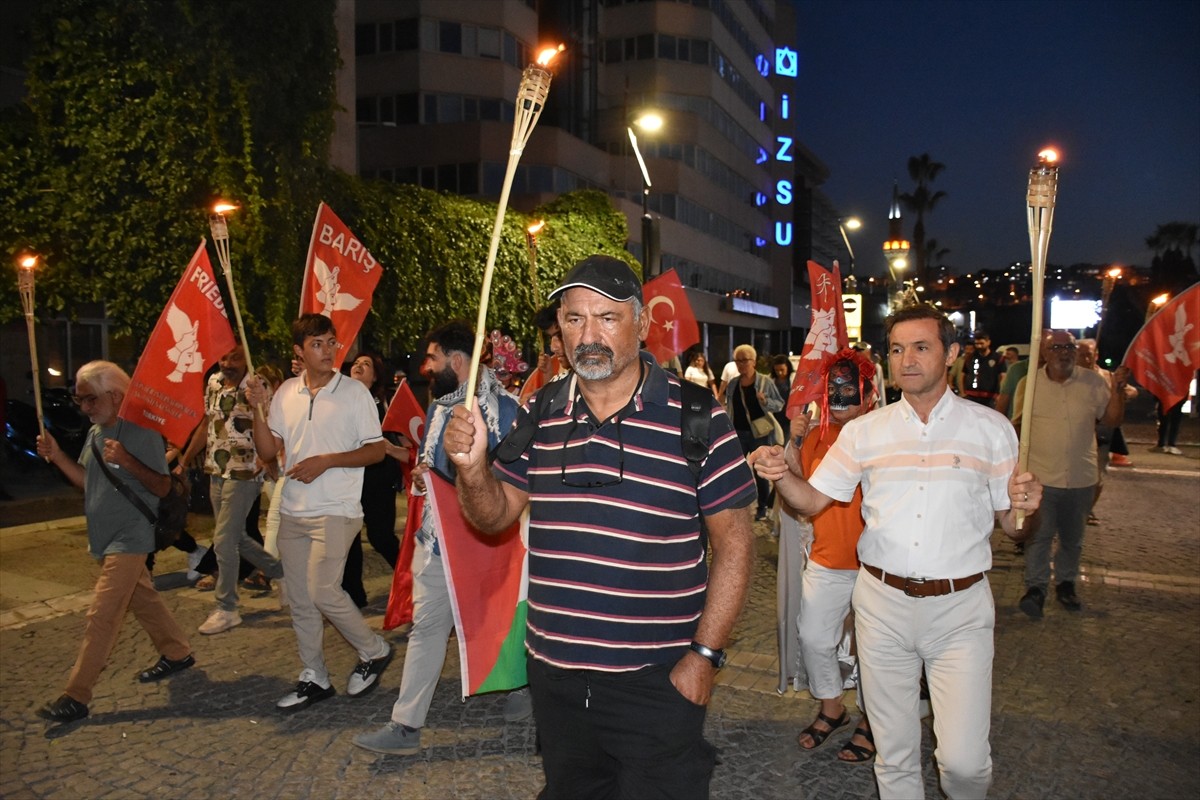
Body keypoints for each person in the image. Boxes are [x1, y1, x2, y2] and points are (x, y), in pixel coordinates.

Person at [445, 255, 757, 799]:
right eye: (573, 319)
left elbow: (735, 546)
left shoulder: (697, 416)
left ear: (641, 323)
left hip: (657, 678)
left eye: (606, 318)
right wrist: (472, 469)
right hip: (557, 676)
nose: (588, 335)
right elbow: (493, 518)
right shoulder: (539, 411)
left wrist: (704, 657)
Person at [750, 303, 1042, 800]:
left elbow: (1013, 529)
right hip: (881, 605)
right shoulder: (867, 431)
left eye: (921, 347)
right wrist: (781, 476)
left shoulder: (991, 429)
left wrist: (1026, 509)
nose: (907, 359)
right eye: (898, 349)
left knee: (964, 765)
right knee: (895, 755)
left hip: (960, 610)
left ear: (950, 353)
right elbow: (812, 501)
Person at [352, 320, 523, 756]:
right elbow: (431, 462)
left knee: (501, 618)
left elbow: (507, 478)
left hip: (483, 545)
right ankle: (405, 726)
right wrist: (426, 477)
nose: (426, 367)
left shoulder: (503, 409)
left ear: (458, 361)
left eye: (433, 358)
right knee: (427, 628)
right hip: (436, 541)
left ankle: (525, 687)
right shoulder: (440, 406)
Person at [245, 314, 392, 712]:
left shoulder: (354, 393)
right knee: (301, 599)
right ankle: (314, 675)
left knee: (323, 589)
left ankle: (374, 649)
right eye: (317, 344)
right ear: (299, 351)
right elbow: (266, 451)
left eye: (331, 342)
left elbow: (376, 450)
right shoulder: (286, 393)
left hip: (338, 509)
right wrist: (258, 410)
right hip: (294, 509)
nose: (327, 351)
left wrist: (327, 460)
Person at [35, 361, 195, 722]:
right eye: (80, 401)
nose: (85, 408)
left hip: (132, 534)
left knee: (102, 614)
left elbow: (162, 485)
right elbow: (86, 480)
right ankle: (177, 651)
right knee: (143, 598)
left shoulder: (141, 431)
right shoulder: (96, 432)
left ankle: (75, 696)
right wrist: (58, 455)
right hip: (106, 537)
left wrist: (126, 459)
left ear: (114, 395)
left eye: (89, 399)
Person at [769, 348, 877, 764]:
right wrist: (794, 439)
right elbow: (800, 496)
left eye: (850, 387)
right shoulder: (817, 434)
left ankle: (871, 719)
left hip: (877, 567)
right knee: (813, 636)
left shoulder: (885, 434)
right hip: (828, 559)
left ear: (867, 392)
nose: (841, 394)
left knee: (874, 647)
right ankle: (832, 707)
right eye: (834, 387)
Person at [1013, 331, 1127, 617]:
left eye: (1069, 347)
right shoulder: (1030, 384)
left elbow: (1112, 420)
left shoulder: (1093, 382)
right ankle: (1036, 588)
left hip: (1080, 476)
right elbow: (1016, 424)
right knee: (1039, 536)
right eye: (1057, 347)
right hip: (1041, 477)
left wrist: (1118, 390)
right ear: (1045, 353)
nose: (1064, 352)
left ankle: (1066, 584)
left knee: (1073, 539)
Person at [181, 345, 285, 634]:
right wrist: (185, 459)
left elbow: (275, 425)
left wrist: (269, 459)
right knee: (235, 537)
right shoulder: (214, 382)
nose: (227, 363)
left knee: (224, 540)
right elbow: (207, 423)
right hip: (216, 470)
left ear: (246, 357)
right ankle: (281, 573)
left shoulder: (257, 385)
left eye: (234, 357)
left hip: (245, 471)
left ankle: (227, 607)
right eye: (223, 357)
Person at [339, 351, 408, 608]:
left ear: (375, 375)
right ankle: (354, 596)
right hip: (349, 479)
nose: (358, 366)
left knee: (381, 537)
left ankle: (410, 584)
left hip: (378, 480)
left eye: (365, 364)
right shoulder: (339, 401)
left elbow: (404, 438)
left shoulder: (385, 404)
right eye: (356, 363)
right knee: (350, 538)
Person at [720, 343, 784, 521]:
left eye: (744, 360)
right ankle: (738, 504)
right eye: (737, 361)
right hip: (737, 433)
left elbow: (779, 404)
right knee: (736, 470)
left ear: (753, 362)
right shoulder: (733, 383)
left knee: (760, 472)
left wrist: (765, 402)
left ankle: (762, 507)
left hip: (760, 434)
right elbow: (729, 407)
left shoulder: (764, 381)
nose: (741, 364)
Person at [960, 332, 1001, 406]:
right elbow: (963, 375)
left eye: (981, 343)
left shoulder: (997, 358)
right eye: (977, 343)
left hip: (990, 397)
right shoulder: (970, 358)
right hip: (971, 396)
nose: (979, 346)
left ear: (988, 342)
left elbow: (1002, 376)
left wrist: (999, 393)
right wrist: (963, 392)